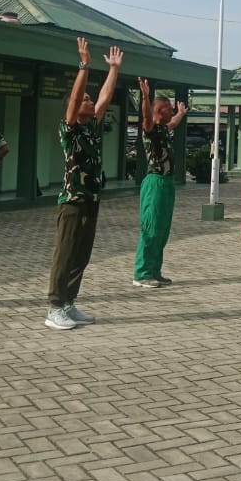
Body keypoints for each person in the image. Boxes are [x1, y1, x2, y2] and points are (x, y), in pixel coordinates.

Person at [44, 37, 123, 330]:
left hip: (91, 198)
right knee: (65, 252)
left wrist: (113, 69)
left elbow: (105, 97)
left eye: (90, 99)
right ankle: (54, 307)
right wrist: (84, 66)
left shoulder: (92, 126)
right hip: (72, 199)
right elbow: (77, 98)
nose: (90, 101)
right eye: (85, 100)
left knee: (82, 254)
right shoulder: (71, 128)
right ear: (76, 108)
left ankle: (68, 303)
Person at [133, 76, 188, 288]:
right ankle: (142, 272)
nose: (171, 110)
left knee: (162, 228)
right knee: (151, 226)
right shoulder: (151, 127)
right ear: (158, 111)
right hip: (154, 182)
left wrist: (181, 114)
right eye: (167, 108)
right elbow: (146, 117)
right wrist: (145, 96)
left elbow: (173, 123)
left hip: (166, 183)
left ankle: (154, 271)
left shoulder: (165, 128)